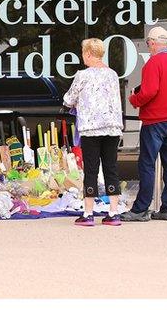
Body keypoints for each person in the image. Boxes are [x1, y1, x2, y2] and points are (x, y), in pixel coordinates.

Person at [120, 27, 167, 222]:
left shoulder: (153, 63)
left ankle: (141, 208)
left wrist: (134, 99)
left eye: (148, 43)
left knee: (147, 165)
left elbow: (150, 91)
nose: (148, 47)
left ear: (152, 42)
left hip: (154, 122)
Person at [63, 38, 124, 227]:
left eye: (83, 53)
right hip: (112, 128)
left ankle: (88, 214)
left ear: (89, 53)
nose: (83, 57)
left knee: (91, 169)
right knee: (110, 168)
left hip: (91, 129)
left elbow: (69, 98)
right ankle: (113, 213)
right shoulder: (113, 74)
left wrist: (69, 103)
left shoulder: (82, 75)